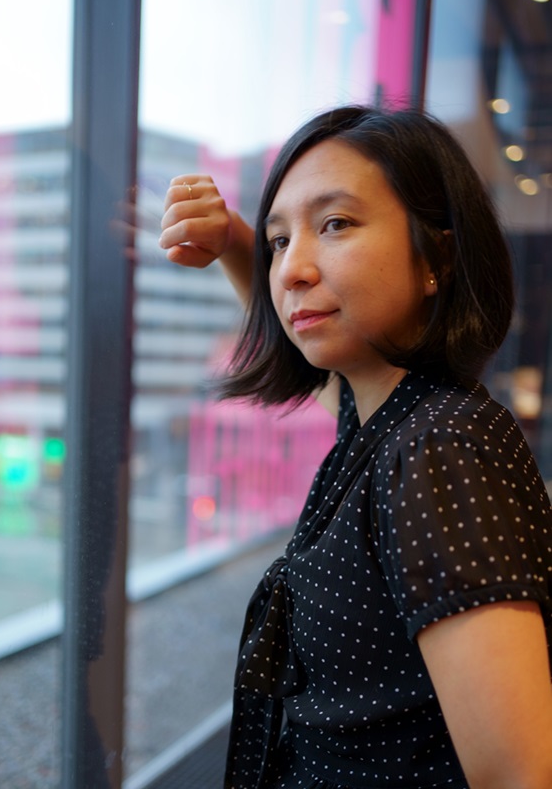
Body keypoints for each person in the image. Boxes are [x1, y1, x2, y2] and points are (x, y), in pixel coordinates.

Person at [159, 105, 552, 789]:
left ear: (437, 258)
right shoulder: (389, 418)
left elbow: (517, 772)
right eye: (280, 241)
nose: (291, 270)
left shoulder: (437, 449)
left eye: (335, 223)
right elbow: (309, 356)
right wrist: (235, 242)